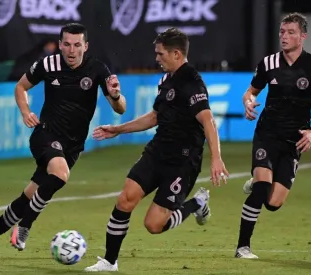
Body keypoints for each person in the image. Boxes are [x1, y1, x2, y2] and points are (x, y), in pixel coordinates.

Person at [0, 23, 127, 263]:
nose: (71, 50)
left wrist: (116, 95)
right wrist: (25, 111)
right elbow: (21, 86)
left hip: (72, 146)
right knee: (60, 174)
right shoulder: (48, 64)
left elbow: (120, 108)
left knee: (29, 196)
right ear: (60, 44)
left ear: (86, 46)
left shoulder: (97, 69)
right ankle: (25, 227)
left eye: (77, 45)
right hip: (45, 134)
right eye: (66, 44)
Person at [83, 27, 229, 272]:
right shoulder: (166, 80)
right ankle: (109, 261)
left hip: (183, 162)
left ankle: (196, 203)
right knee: (125, 200)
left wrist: (216, 158)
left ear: (176, 54)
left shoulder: (192, 82)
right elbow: (155, 117)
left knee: (154, 225)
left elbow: (208, 120)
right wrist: (118, 130)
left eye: (160, 54)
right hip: (157, 152)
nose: (157, 58)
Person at [236, 13, 311, 259]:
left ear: (303, 36)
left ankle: (256, 183)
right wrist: (248, 102)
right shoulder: (268, 63)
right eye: (282, 32)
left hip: (294, 140)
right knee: (262, 188)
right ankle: (242, 248)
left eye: (290, 32)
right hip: (267, 134)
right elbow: (250, 92)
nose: (284, 36)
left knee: (274, 203)